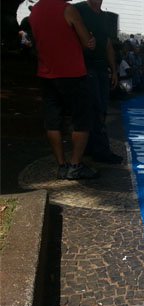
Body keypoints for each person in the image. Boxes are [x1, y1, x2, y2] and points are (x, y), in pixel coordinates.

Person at [30, 0, 99, 180]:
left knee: (53, 120)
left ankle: (61, 165)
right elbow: (87, 42)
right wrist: (90, 39)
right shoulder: (68, 10)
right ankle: (75, 165)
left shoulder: (35, 10)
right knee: (82, 120)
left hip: (46, 73)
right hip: (72, 73)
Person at [73, 0, 123, 164]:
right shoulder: (78, 9)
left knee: (100, 108)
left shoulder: (104, 17)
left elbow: (108, 44)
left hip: (101, 68)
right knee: (95, 108)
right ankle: (99, 149)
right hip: (85, 66)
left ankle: (91, 146)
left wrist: (114, 70)